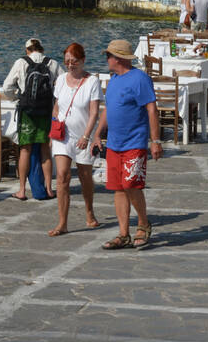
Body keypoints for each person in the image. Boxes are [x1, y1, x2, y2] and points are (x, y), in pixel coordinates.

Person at [100, 39, 162, 250]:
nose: (106, 59)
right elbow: (108, 110)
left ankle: (143, 223)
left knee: (131, 185)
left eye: (108, 55)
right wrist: (97, 134)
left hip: (134, 142)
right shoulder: (114, 80)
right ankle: (123, 233)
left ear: (117, 58)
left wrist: (155, 141)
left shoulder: (140, 79)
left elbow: (152, 110)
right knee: (118, 188)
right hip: (114, 144)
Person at [48, 42, 103, 236]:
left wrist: (87, 135)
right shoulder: (61, 79)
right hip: (62, 136)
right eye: (67, 61)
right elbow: (56, 106)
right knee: (62, 176)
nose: (71, 65)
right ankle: (62, 223)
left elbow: (94, 112)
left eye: (74, 61)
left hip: (83, 136)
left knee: (85, 176)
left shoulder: (92, 82)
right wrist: (54, 124)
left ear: (83, 60)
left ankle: (89, 212)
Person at [2, 38, 64, 201]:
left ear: (27, 50)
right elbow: (64, 84)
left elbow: (7, 87)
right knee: (45, 150)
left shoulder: (21, 62)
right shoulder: (52, 63)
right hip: (45, 111)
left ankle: (22, 190)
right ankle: (49, 189)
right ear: (41, 49)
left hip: (27, 112)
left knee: (25, 150)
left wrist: (17, 99)